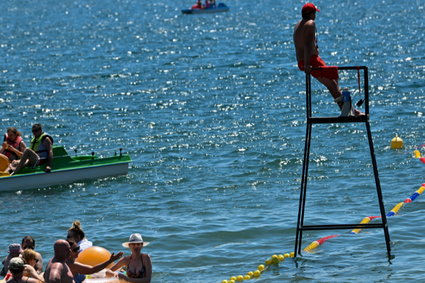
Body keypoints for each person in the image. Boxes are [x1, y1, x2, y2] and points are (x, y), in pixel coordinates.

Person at [293, 3, 363, 116]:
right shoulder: (310, 24)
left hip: (304, 61)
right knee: (332, 84)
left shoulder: (298, 25)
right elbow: (306, 45)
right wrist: (307, 64)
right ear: (311, 14)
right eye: (314, 13)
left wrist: (304, 62)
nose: (315, 15)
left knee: (333, 80)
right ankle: (349, 111)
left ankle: (349, 110)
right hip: (310, 61)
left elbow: (302, 45)